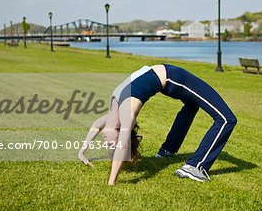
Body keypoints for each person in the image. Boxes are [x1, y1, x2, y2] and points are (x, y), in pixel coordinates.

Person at [78, 64, 237, 185]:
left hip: (174, 76)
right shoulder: (120, 117)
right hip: (169, 78)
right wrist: (82, 152)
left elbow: (98, 127)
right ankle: (193, 166)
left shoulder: (116, 117)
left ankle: (174, 154)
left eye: (111, 144)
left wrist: (110, 182)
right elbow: (106, 134)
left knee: (220, 117)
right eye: (111, 145)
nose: (106, 143)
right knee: (225, 118)